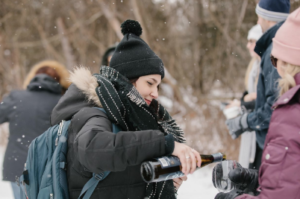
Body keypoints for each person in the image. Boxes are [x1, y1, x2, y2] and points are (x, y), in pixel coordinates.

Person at [50, 20, 201, 199]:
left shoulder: (130, 117)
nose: (155, 93)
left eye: (158, 86)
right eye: (150, 83)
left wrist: (162, 182)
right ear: (128, 80)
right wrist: (164, 144)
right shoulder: (94, 114)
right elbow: (94, 151)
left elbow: (122, 179)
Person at [215, 7, 300, 199]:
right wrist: (256, 181)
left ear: (287, 62)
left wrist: (233, 198)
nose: (274, 68)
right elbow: (291, 181)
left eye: (274, 59)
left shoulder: (291, 113)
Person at [225, 0, 290, 169]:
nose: (257, 22)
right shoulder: (282, 45)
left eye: (259, 16)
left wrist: (244, 122)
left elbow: (275, 106)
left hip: (277, 144)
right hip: (280, 143)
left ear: (268, 17)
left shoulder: (275, 51)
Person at [0, 60, 70, 199]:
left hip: (18, 166)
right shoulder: (64, 101)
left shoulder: (16, 98)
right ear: (61, 79)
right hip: (50, 169)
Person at [224, 24, 262, 169]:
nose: (248, 45)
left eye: (252, 41)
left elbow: (262, 99)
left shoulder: (267, 64)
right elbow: (249, 93)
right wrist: (240, 101)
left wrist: (243, 104)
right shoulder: (254, 65)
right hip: (251, 122)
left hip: (259, 124)